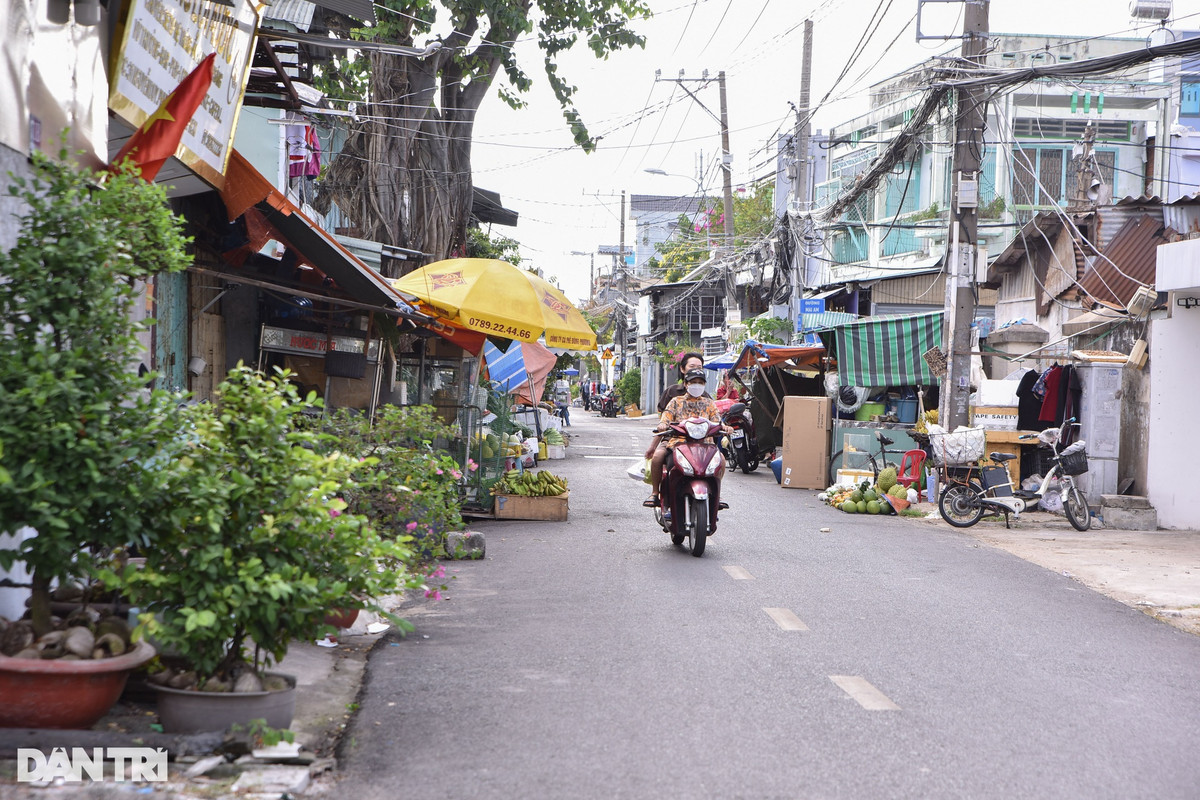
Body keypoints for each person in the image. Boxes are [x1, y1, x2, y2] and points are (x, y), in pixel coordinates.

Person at [644, 369, 730, 507]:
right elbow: (666, 418)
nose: (697, 385)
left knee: (722, 460)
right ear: (685, 384)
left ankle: (716, 495)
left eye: (700, 382)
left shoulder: (709, 403)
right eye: (693, 382)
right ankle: (655, 493)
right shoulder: (675, 402)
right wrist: (662, 425)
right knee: (657, 457)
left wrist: (724, 427)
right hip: (678, 443)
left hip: (705, 445)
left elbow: (717, 421)